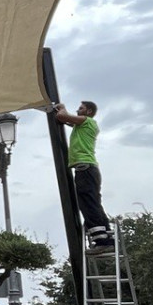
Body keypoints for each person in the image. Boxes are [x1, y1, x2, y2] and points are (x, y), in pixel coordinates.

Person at [54, 101, 114, 253]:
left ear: (89, 111)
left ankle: (101, 241)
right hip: (88, 169)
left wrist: (61, 107)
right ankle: (107, 237)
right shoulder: (82, 125)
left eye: (81, 108)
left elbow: (62, 116)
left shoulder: (87, 121)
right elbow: (65, 120)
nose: (78, 110)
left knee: (88, 204)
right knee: (93, 203)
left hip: (85, 169)